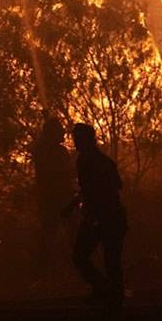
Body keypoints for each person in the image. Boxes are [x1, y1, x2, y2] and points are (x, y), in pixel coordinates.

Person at [62, 123, 126, 309]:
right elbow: (101, 188)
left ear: (87, 140)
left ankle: (108, 293)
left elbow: (92, 190)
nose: (76, 143)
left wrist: (75, 207)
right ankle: (111, 295)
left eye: (78, 139)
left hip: (104, 217)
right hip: (108, 216)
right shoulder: (101, 161)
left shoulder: (88, 161)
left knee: (85, 257)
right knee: (109, 259)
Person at [30, 117, 73, 271]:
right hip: (53, 199)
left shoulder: (57, 150)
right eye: (59, 130)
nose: (63, 132)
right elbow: (60, 173)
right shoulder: (45, 150)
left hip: (63, 198)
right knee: (49, 236)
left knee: (69, 234)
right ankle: (42, 270)